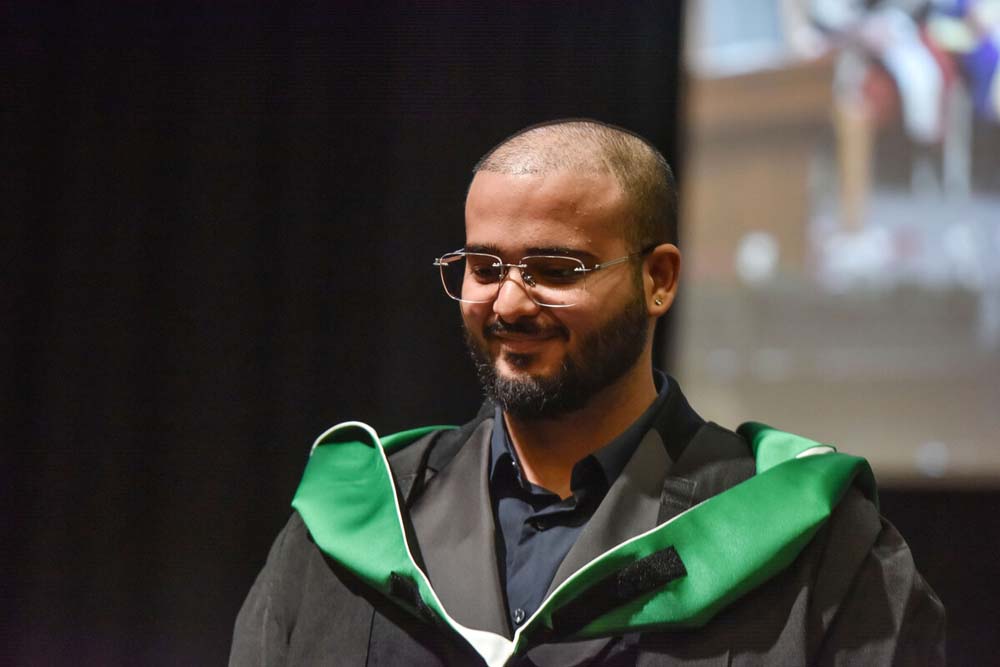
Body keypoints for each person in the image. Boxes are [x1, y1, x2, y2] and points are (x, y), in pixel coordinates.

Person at [230, 120, 945, 666]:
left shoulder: (817, 548)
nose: (509, 303)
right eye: (484, 267)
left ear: (658, 279)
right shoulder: (354, 525)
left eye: (554, 268)